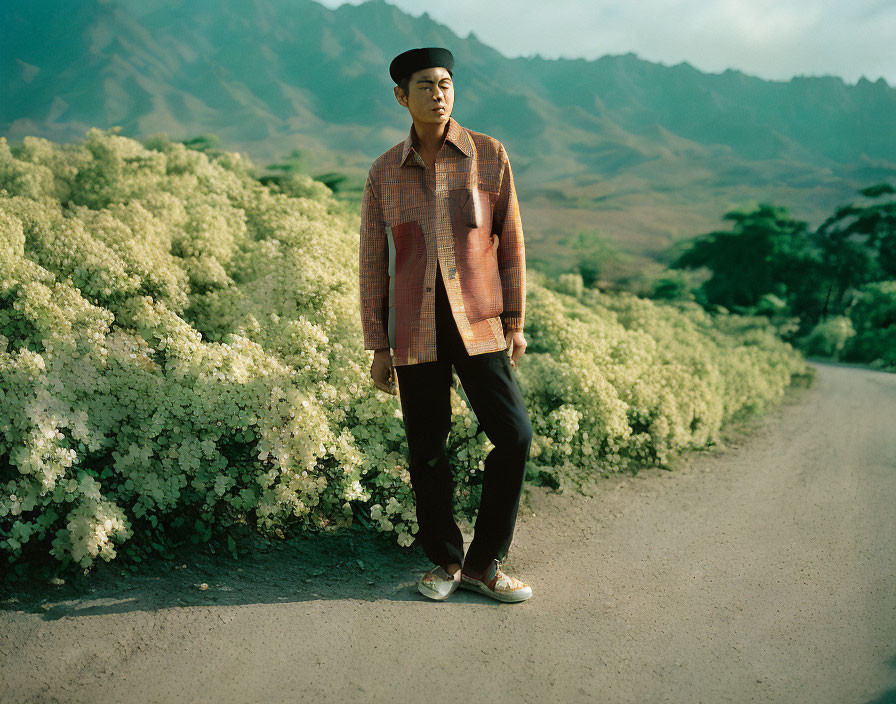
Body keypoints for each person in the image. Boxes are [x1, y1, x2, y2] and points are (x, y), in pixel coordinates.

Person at [359, 47, 534, 603]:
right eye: (426, 86)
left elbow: (511, 244)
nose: (438, 94)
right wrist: (377, 345)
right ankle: (446, 562)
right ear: (400, 97)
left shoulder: (488, 155)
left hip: (479, 321)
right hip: (415, 329)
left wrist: (515, 320)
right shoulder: (385, 172)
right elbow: (372, 261)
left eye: (446, 83)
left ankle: (486, 562)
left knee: (514, 436)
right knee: (427, 449)